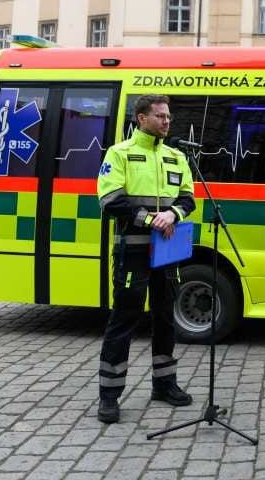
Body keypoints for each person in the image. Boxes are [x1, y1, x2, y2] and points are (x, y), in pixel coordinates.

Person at [96, 95, 196, 424]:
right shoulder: (119, 153)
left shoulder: (176, 156)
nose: (167, 121)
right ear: (141, 119)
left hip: (167, 252)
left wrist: (172, 213)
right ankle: (109, 396)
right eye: (160, 116)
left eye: (168, 116)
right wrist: (152, 220)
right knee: (124, 319)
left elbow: (188, 198)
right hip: (133, 250)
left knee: (165, 318)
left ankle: (164, 385)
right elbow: (110, 200)